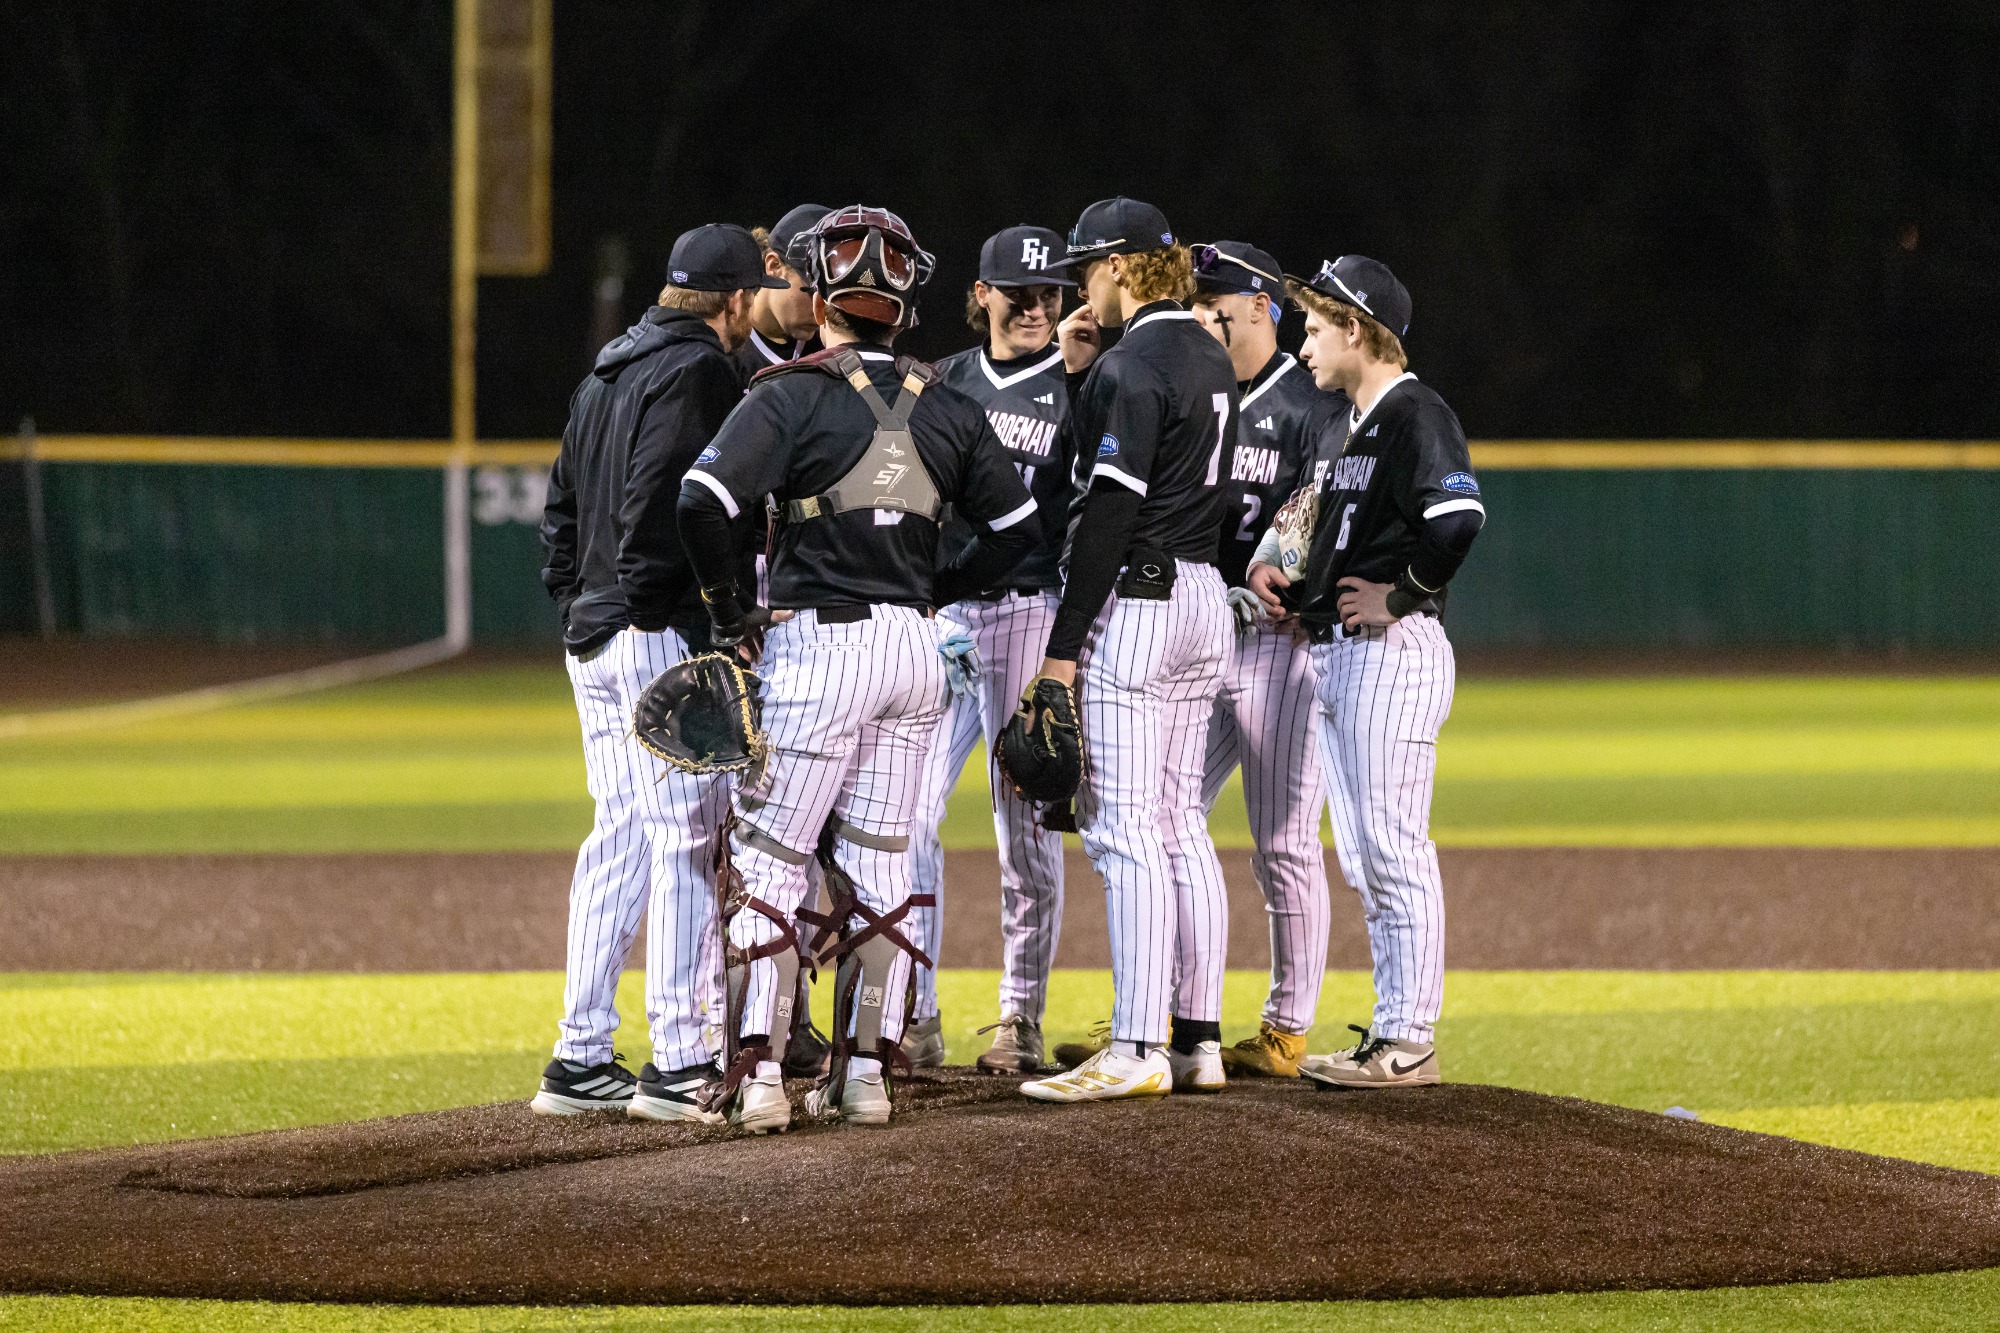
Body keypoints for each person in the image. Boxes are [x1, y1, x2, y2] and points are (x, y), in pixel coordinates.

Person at [676, 205, 1037, 1132]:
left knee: (768, 861)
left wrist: (730, 615)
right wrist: (934, 586)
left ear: (825, 296)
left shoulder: (789, 394)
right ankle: (865, 1073)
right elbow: (1020, 536)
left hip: (816, 650)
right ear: (903, 303)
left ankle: (758, 1079)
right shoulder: (950, 403)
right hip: (914, 656)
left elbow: (703, 501)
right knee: (881, 868)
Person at [533, 223, 786, 1120]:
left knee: (620, 834)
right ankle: (680, 1060)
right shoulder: (702, 370)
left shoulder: (609, 367)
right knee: (683, 834)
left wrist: (576, 604)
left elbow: (558, 508)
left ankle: (578, 1053)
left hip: (593, 638)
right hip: (649, 633)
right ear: (733, 300)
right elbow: (662, 506)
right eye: (754, 291)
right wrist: (681, 615)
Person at [1012, 197, 1239, 1104]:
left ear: (1115, 268)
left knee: (1123, 827)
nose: (1076, 288)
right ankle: (1199, 1041)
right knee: (1182, 821)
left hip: (1138, 605)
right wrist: (1078, 375)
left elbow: (1104, 511)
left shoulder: (1133, 362)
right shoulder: (1208, 352)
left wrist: (1063, 651)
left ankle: (1139, 1042)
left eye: (1082, 271)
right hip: (1201, 596)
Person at [1247, 255, 1485, 1088]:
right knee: (1363, 853)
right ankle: (1391, 1029)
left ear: (1356, 328)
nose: (1303, 341)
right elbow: (1313, 519)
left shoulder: (1415, 411)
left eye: (1315, 326)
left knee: (1392, 847)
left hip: (1391, 650)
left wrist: (1402, 593)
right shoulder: (1346, 421)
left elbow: (1457, 520)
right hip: (1341, 655)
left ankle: (1411, 1036)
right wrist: (1278, 562)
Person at [900, 225, 1076, 1074]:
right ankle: (913, 1007)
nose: (1037, 304)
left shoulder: (1079, 385)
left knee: (1024, 833)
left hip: (1025, 614)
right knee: (903, 817)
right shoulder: (943, 380)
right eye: (1019, 290)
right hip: (943, 622)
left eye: (1050, 291)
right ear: (982, 294)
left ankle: (1021, 1016)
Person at [1187, 241, 1349, 1079]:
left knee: (1283, 841)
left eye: (1218, 296)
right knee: (1162, 819)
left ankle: (1287, 1027)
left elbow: (1323, 492)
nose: (1206, 309)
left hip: (1277, 646)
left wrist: (1281, 558)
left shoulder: (1308, 397)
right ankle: (1171, 1016)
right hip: (1196, 633)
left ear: (1261, 304)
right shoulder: (1199, 387)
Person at [731, 204, 831, 382]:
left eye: (831, 299)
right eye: (812, 291)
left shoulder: (829, 348)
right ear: (774, 266)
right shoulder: (724, 343)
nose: (820, 311)